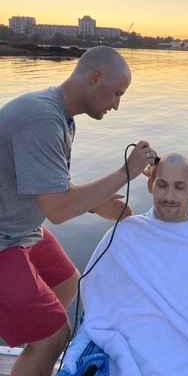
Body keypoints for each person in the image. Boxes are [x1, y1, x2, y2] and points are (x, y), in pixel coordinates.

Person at [0, 46, 156, 376]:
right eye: (116, 93)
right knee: (54, 337)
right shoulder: (43, 120)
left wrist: (95, 204)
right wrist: (124, 173)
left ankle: (26, 335)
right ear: (94, 78)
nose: (117, 104)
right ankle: (36, 341)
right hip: (3, 239)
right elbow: (57, 209)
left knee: (68, 282)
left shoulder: (61, 117)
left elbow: (51, 186)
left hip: (21, 229)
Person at [59, 153, 188, 376]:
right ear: (150, 185)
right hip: (135, 346)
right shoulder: (125, 237)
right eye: (162, 185)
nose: (169, 196)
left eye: (179, 187)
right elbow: (100, 306)